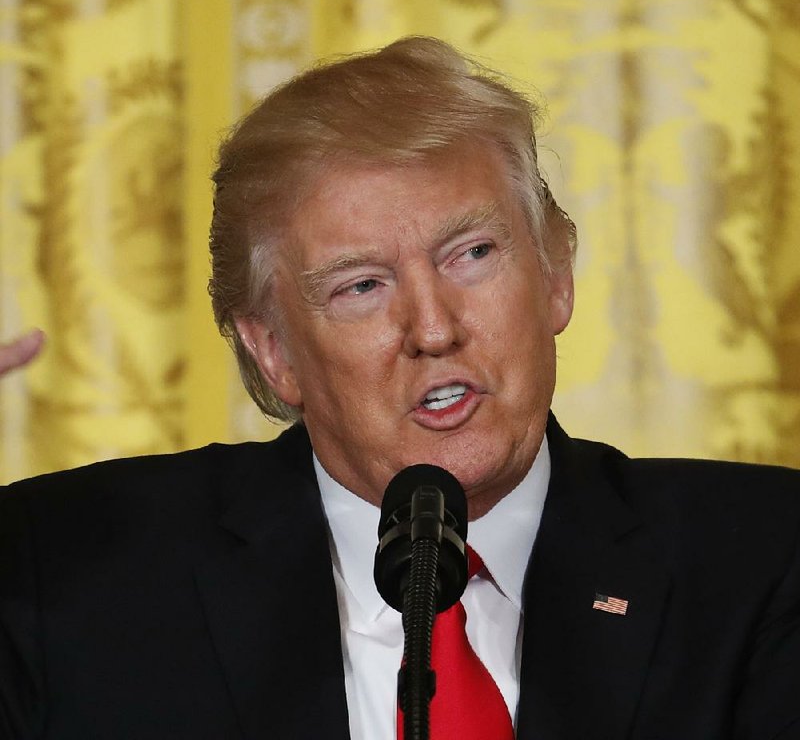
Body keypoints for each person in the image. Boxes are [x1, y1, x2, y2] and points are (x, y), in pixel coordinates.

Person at [1, 37, 799, 740]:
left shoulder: (765, 559)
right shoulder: (60, 571)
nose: (433, 328)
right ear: (273, 349)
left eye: (473, 254)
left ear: (556, 273)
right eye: (361, 286)